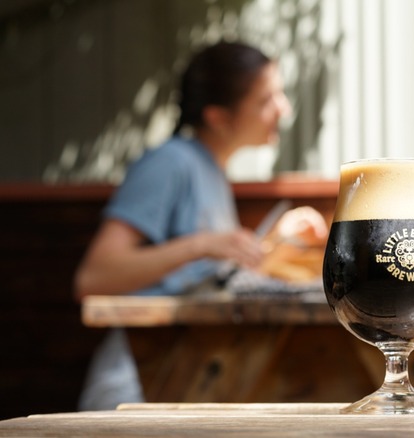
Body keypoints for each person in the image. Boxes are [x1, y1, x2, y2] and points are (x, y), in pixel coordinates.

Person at [74, 41, 324, 410]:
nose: (283, 109)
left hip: (187, 381)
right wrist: (201, 244)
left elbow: (208, 272)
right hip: (139, 385)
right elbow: (93, 278)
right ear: (218, 117)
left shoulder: (211, 169)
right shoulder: (170, 163)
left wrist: (276, 239)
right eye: (266, 100)